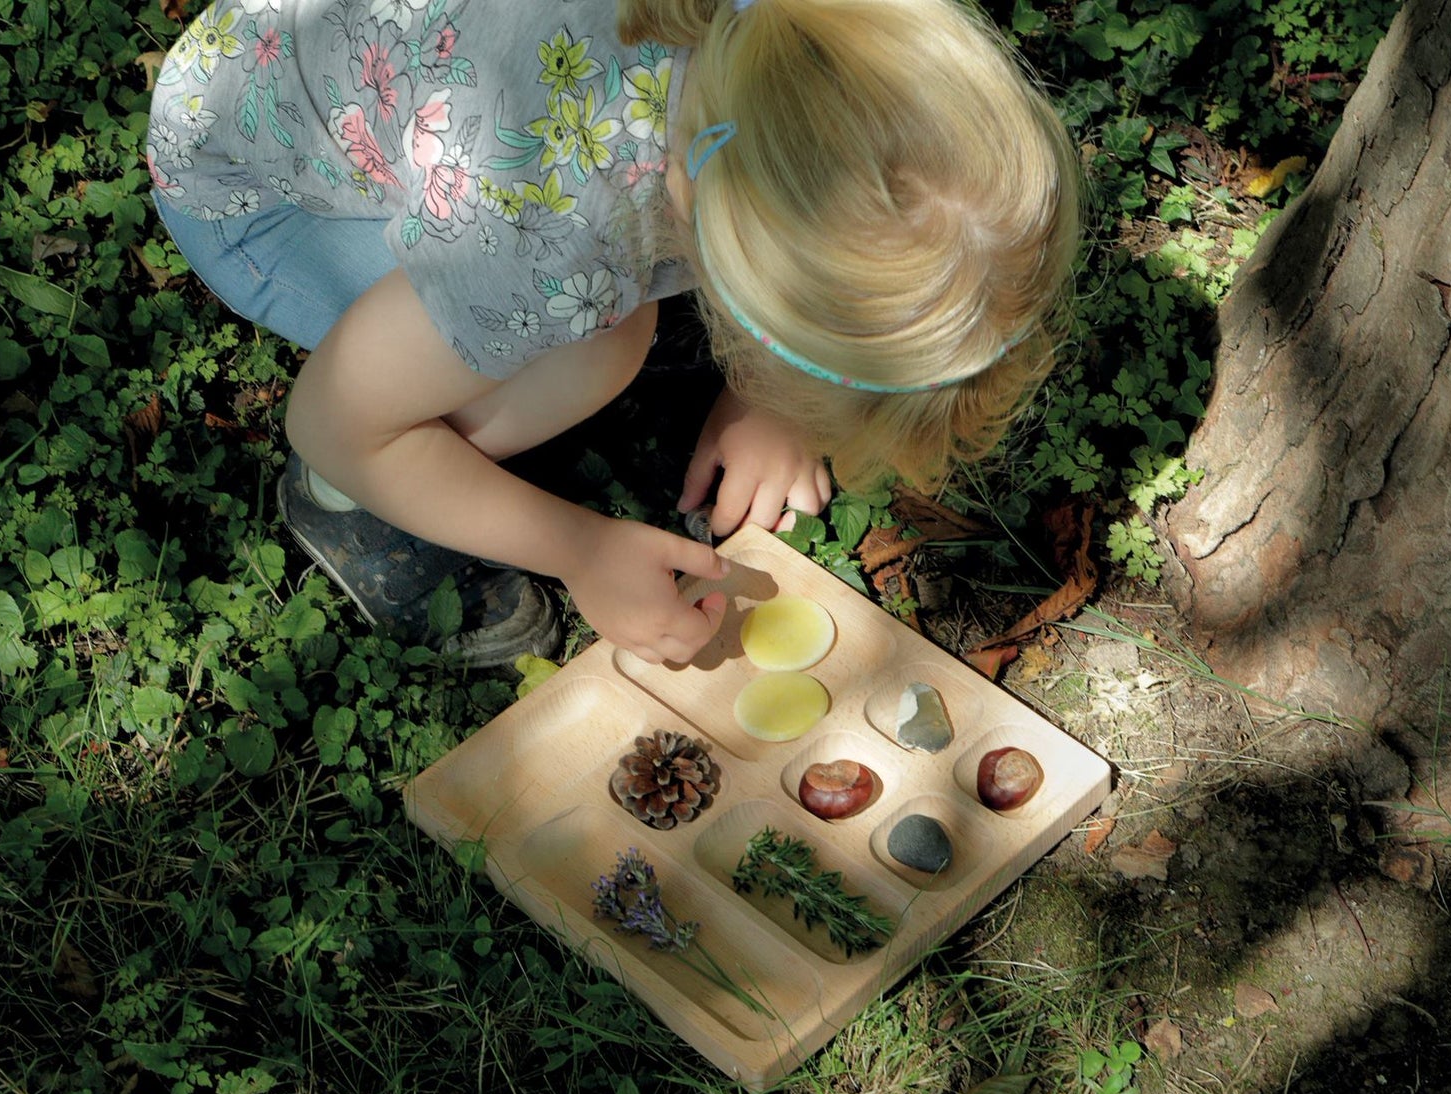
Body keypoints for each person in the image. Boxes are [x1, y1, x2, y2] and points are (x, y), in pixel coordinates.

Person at [146, 0, 1079, 667]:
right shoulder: (555, 237)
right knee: (604, 342)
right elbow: (333, 416)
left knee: (605, 317)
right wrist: (581, 550)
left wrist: (771, 395)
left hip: (352, 63)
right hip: (257, 191)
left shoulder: (812, 42)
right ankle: (343, 508)